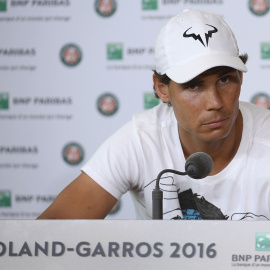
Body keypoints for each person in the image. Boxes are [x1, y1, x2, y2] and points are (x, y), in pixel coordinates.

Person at [38, 9, 270, 221]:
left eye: (224, 79)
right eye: (194, 86)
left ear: (240, 77)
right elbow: (47, 237)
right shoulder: (142, 138)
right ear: (161, 89)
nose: (215, 103)